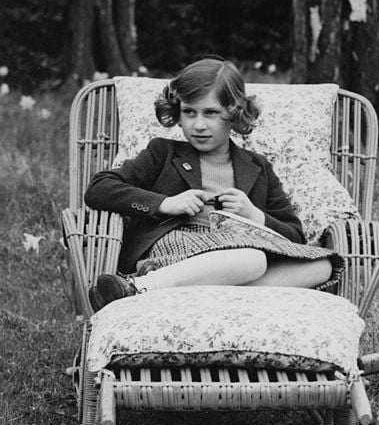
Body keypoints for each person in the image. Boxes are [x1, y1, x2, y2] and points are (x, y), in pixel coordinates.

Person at [85, 55, 338, 311]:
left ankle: (203, 294)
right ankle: (139, 286)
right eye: (189, 112)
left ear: (234, 113)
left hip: (239, 248)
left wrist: (254, 215)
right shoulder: (162, 152)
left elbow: (295, 236)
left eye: (211, 113)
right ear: (178, 112)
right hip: (179, 246)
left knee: (321, 266)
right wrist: (165, 204)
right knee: (253, 262)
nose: (199, 125)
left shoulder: (257, 166)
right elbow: (100, 188)